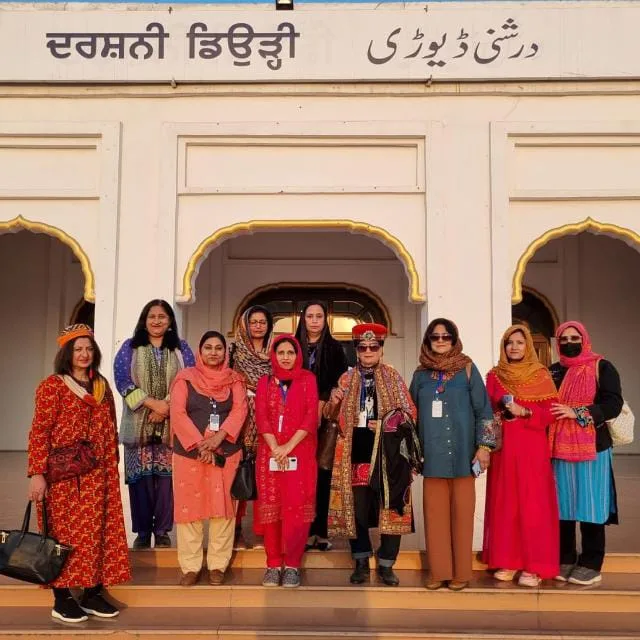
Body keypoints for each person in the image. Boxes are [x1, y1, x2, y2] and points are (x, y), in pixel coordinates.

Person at [27, 324, 131, 623]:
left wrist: (113, 467)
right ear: (67, 353)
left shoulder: (101, 386)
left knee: (99, 532)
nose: (84, 354)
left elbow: (111, 428)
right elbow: (39, 431)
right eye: (77, 349)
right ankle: (61, 598)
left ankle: (92, 591)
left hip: (99, 475)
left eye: (88, 348)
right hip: (64, 476)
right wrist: (36, 473)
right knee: (64, 535)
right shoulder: (53, 386)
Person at [326, 323, 419, 587]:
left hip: (388, 458)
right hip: (355, 455)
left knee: (393, 509)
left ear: (381, 349)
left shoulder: (393, 377)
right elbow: (330, 417)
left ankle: (387, 563)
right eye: (362, 347)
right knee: (357, 511)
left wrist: (387, 423)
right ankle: (361, 561)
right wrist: (335, 402)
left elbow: (410, 413)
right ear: (355, 350)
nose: (367, 351)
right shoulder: (346, 379)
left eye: (373, 347)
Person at [409, 318, 494, 591]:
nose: (441, 341)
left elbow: (484, 411)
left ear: (454, 339)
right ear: (428, 341)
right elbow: (410, 417)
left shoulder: (468, 370)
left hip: (463, 457)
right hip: (431, 458)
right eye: (436, 337)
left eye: (446, 336)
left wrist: (484, 447)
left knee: (462, 515)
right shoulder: (420, 375)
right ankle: (438, 571)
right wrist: (411, 455)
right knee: (434, 517)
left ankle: (460, 573)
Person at [114, 299, 195, 550]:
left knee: (166, 481)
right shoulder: (130, 347)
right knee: (140, 480)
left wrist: (167, 406)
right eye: (152, 316)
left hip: (172, 425)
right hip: (137, 425)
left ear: (171, 321)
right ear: (144, 320)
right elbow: (123, 381)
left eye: (162, 316)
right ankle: (141, 531)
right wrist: (152, 404)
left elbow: (189, 379)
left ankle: (161, 531)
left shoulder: (182, 348)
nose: (157, 321)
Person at [483, 324, 560, 587]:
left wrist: (525, 412)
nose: (514, 347)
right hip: (504, 450)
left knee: (533, 505)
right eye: (508, 342)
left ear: (528, 345)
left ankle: (533, 566)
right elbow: (488, 408)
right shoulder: (494, 375)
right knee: (506, 503)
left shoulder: (541, 375)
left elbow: (551, 413)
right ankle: (508, 560)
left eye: (519, 342)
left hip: (531, 447)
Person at [170, 331, 248, 586]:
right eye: (208, 348)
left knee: (222, 511)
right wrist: (200, 445)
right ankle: (191, 567)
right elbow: (178, 412)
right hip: (189, 454)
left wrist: (217, 439)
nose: (213, 352)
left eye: (218, 348)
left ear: (225, 352)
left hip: (225, 453)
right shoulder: (185, 379)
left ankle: (217, 565)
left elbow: (239, 410)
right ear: (199, 351)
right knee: (189, 511)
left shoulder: (235, 380)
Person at [548, 321, 623, 586]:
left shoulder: (602, 367)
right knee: (562, 504)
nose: (569, 342)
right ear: (558, 343)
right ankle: (565, 557)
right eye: (564, 338)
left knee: (591, 502)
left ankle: (591, 562)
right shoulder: (554, 370)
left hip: (593, 448)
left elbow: (613, 404)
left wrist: (576, 411)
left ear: (584, 339)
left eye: (574, 337)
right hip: (557, 447)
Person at [255, 335, 319, 588]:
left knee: (296, 507)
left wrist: (288, 447)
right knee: (272, 507)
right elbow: (261, 416)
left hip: (300, 453)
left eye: (290, 352)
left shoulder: (308, 380)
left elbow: (311, 416)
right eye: (280, 352)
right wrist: (275, 447)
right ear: (274, 355)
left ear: (297, 354)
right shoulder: (265, 382)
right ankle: (272, 564)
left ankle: (292, 564)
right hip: (269, 454)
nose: (285, 357)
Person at [295, 300, 348, 551]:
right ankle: (304, 530)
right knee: (301, 476)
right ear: (303, 319)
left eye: (319, 316)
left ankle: (322, 532)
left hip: (326, 420)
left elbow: (340, 382)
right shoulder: (292, 347)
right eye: (310, 316)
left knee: (323, 473)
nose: (314, 320)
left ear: (325, 319)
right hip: (295, 419)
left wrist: (320, 404)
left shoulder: (335, 348)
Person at [230, 304, 274, 549]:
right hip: (241, 422)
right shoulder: (235, 352)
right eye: (253, 322)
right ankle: (236, 531)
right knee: (240, 474)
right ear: (246, 325)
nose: (258, 326)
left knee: (265, 476)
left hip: (269, 421)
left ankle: (262, 532)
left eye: (262, 322)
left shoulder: (276, 352)